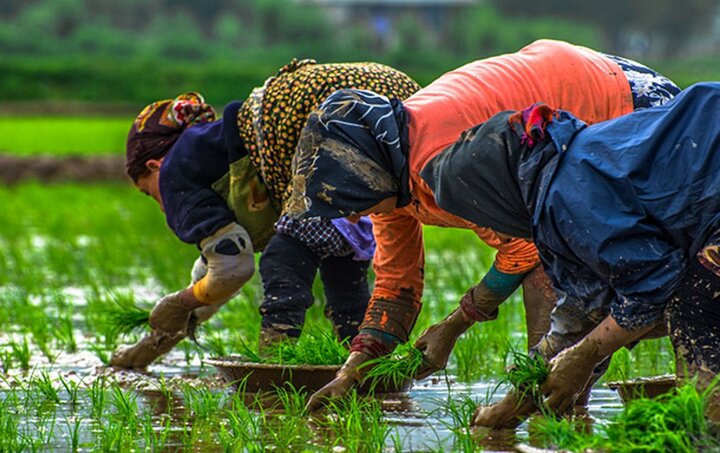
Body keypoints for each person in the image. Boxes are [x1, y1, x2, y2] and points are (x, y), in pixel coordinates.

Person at [287, 39, 680, 411]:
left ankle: (554, 406)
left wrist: (455, 325)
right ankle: (561, 399)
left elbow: (529, 248)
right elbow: (396, 285)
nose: (352, 216)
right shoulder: (391, 177)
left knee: (616, 269)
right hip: (583, 85)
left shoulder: (441, 164)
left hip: (620, 105)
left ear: (366, 176)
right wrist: (353, 369)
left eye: (348, 202)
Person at [413, 82, 720, 426]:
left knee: (695, 309)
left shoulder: (567, 193)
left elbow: (652, 289)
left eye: (484, 214)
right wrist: (513, 404)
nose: (496, 233)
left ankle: (707, 432)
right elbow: (584, 309)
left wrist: (586, 355)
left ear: (496, 196)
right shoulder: (562, 170)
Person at [110, 60, 420, 369]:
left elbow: (232, 267)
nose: (163, 205)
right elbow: (215, 276)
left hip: (336, 114)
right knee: (342, 270)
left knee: (284, 255)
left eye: (148, 192)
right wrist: (146, 349)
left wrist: (178, 302)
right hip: (398, 102)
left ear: (154, 166)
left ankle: (274, 363)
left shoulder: (174, 169)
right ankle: (364, 366)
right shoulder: (211, 151)